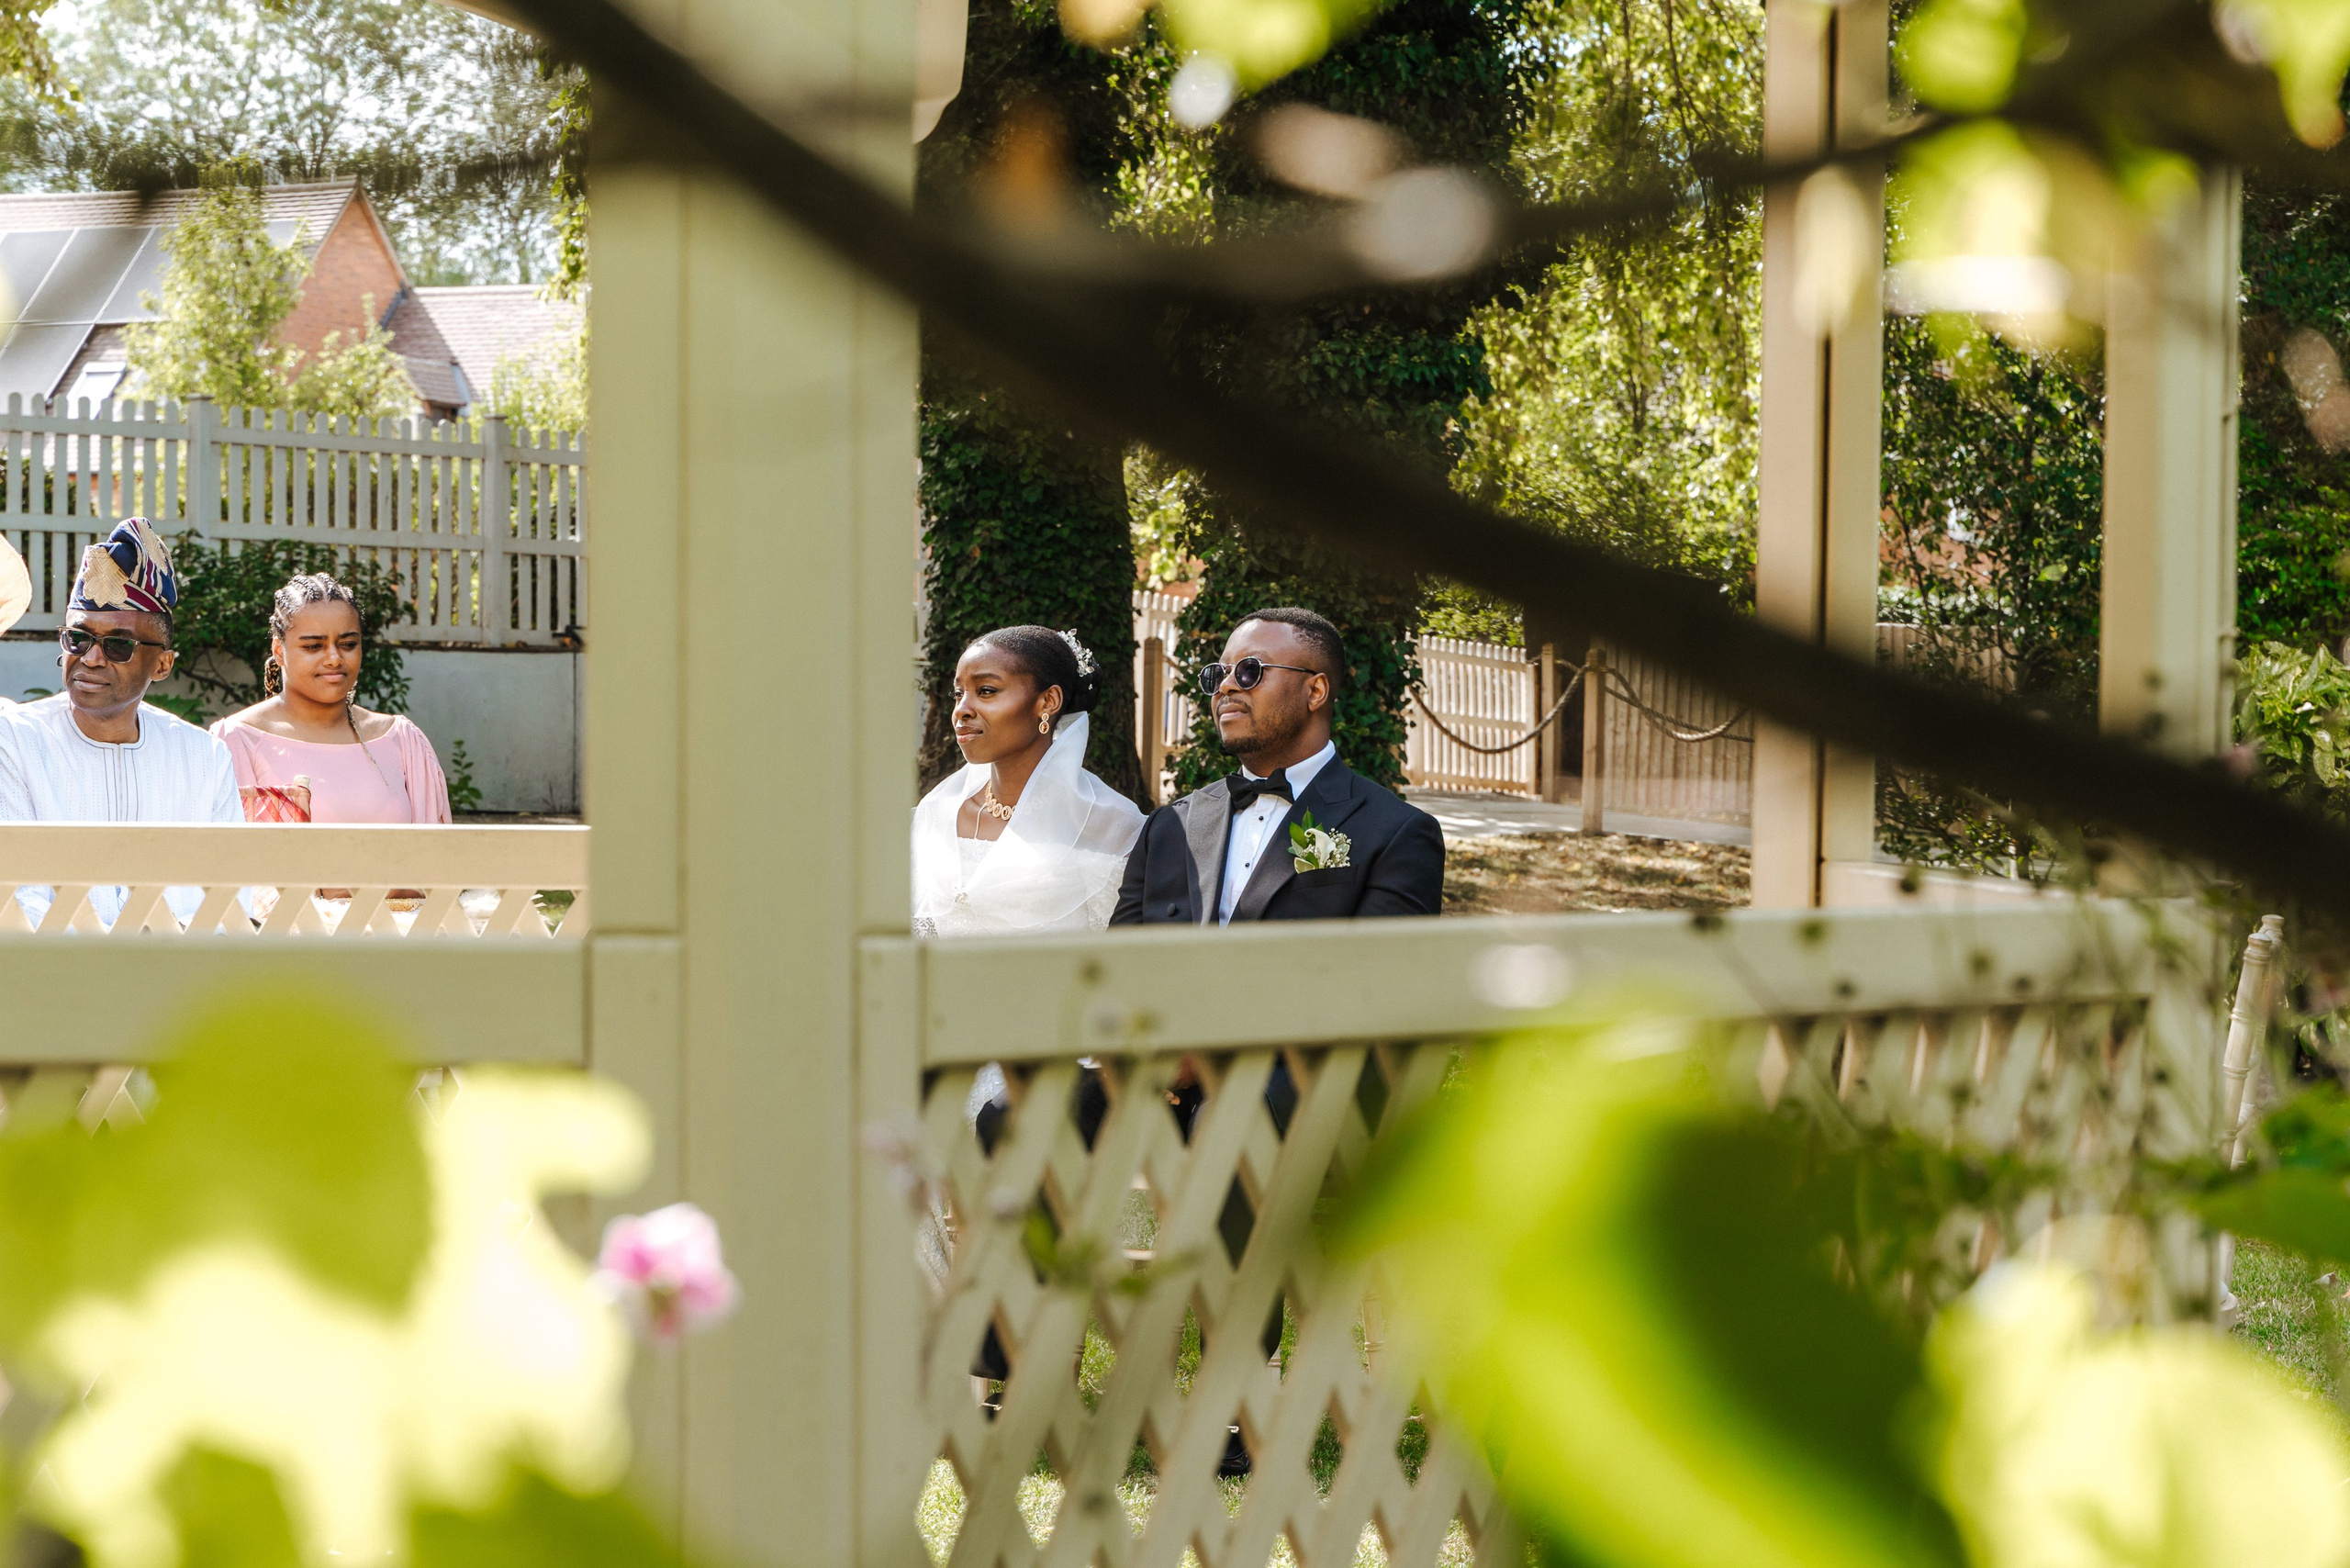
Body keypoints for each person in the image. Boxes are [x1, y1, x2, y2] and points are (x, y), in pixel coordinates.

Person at [1113, 606, 1444, 925]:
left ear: (1315, 691)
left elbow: (1380, 975)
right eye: (1218, 674)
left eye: (1249, 671)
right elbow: (1120, 963)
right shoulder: (1168, 827)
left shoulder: (1397, 833)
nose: (1226, 687)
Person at [0, 520, 240, 924]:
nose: (91, 658)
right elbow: (20, 896)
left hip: (183, 976)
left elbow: (231, 895)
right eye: (78, 639)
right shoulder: (15, 739)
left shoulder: (203, 757)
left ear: (163, 664)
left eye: (117, 644)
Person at [912, 625, 1143, 937]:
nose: (961, 711)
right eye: (958, 694)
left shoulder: (1114, 828)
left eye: (986, 691)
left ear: (1048, 701)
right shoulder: (936, 813)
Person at [210, 573, 453, 824]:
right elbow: (229, 854)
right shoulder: (236, 741)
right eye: (314, 646)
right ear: (279, 651)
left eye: (348, 644)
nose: (334, 658)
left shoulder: (402, 740)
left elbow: (436, 852)